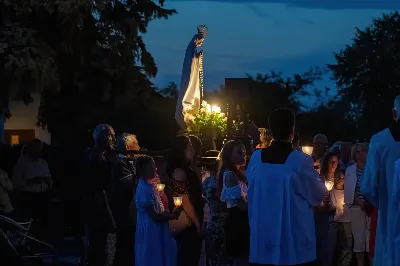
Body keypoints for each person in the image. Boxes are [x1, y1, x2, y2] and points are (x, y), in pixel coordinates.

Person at [247, 108, 326, 266]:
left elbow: (252, 190)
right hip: (294, 236)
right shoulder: (300, 161)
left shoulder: (256, 158)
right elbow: (318, 194)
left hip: (264, 230)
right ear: (292, 130)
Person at [361, 95, 400, 266]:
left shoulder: (379, 141)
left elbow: (368, 187)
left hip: (389, 216)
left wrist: (386, 203)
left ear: (394, 112)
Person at [134, 155, 181, 266]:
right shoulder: (144, 188)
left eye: (154, 167)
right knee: (153, 257)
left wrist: (165, 212)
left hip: (156, 229)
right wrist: (171, 216)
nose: (154, 170)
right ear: (142, 170)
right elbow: (154, 216)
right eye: (151, 167)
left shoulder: (149, 186)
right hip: (150, 230)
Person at [166, 136, 204, 266]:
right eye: (190, 148)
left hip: (192, 220)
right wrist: (198, 224)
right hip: (188, 224)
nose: (193, 151)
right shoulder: (179, 171)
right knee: (188, 258)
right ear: (181, 150)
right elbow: (185, 200)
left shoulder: (186, 169)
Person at [82, 124, 117, 266]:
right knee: (98, 249)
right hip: (97, 212)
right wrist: (110, 217)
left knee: (94, 247)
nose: (114, 139)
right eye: (112, 135)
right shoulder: (97, 159)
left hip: (91, 209)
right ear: (104, 138)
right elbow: (99, 190)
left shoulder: (92, 155)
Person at [13, 139, 52, 238]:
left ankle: (42, 242)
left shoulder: (43, 163)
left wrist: (48, 183)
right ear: (31, 149)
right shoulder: (22, 163)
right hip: (28, 197)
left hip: (43, 196)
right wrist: (31, 181)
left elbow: (49, 179)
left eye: (40, 150)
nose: (39, 152)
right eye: (36, 149)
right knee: (29, 223)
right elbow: (16, 183)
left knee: (43, 222)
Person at [219, 140, 249, 266]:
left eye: (245, 152)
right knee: (241, 259)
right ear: (229, 156)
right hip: (238, 221)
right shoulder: (231, 175)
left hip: (240, 219)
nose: (243, 156)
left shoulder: (238, 173)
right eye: (239, 153)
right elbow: (241, 206)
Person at [111, 133, 140, 266]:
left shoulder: (127, 162)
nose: (139, 147)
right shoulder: (120, 163)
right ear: (129, 147)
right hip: (124, 215)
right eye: (136, 144)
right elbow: (131, 185)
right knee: (125, 251)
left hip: (129, 214)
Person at [344, 143, 369, 266]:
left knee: (370, 242)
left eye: (363, 150)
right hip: (356, 208)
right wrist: (359, 201)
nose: (360, 153)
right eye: (357, 151)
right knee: (359, 242)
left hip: (371, 208)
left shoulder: (372, 168)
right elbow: (349, 191)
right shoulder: (350, 170)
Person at [202, 160, 229, 266]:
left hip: (212, 220)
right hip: (226, 221)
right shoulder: (223, 181)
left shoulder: (205, 182)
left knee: (213, 255)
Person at [314, 151, 337, 266]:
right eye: (330, 161)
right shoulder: (320, 178)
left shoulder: (340, 177)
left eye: (335, 162)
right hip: (322, 217)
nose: (333, 164)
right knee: (323, 247)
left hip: (337, 216)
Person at [330, 169, 352, 266]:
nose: (340, 179)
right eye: (338, 176)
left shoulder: (349, 193)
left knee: (347, 247)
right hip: (334, 223)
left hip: (347, 222)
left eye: (343, 178)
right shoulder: (330, 192)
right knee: (332, 247)